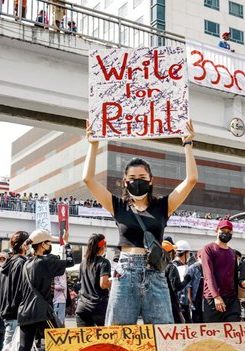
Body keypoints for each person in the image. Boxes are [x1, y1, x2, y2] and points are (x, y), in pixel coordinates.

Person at [82, 120, 197, 326]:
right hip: (125, 272)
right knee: (119, 336)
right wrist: (93, 145)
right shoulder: (117, 205)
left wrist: (187, 144)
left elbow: (191, 180)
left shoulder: (164, 206)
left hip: (155, 273)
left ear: (151, 180)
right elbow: (88, 179)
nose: (137, 180)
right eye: (132, 177)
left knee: (163, 336)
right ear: (125, 181)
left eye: (142, 177)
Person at [6, 229, 73, 351]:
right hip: (42, 312)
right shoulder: (46, 262)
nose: (50, 246)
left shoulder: (26, 263)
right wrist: (65, 243)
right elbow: (71, 262)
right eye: (49, 243)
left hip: (25, 312)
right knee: (61, 347)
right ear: (43, 245)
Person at [201, 220, 245, 322]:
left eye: (229, 231)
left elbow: (234, 277)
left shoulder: (232, 253)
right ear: (216, 230)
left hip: (231, 300)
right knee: (213, 334)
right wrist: (216, 296)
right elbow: (208, 274)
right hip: (213, 299)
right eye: (223, 230)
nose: (226, 233)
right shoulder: (208, 249)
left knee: (233, 332)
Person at [75, 233, 111, 327]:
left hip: (82, 307)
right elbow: (103, 284)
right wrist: (115, 281)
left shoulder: (83, 263)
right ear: (102, 246)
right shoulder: (104, 262)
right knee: (104, 339)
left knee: (85, 340)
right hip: (98, 307)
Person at [184, 254, 204, 323]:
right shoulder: (193, 268)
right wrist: (189, 298)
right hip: (195, 297)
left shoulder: (208, 267)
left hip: (205, 298)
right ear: (198, 257)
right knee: (196, 317)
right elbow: (188, 284)